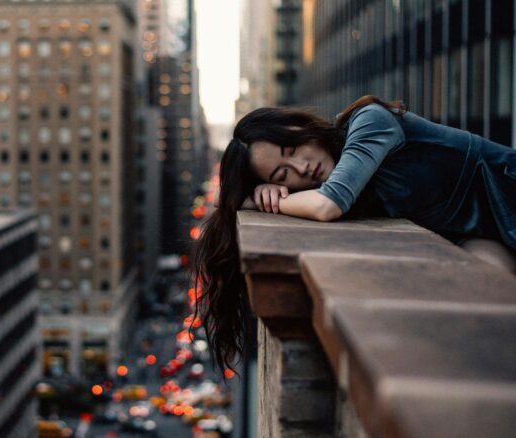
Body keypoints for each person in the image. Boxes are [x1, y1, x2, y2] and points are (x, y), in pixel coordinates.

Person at [191, 95, 516, 375]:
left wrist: (262, 201)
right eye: (282, 174)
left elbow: (328, 205)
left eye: (292, 148)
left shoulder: (369, 121)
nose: (301, 168)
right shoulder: (349, 184)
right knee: (488, 293)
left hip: (508, 197)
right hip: (479, 234)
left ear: (302, 126)